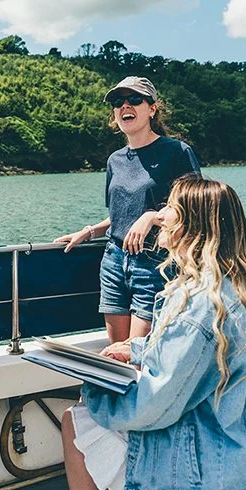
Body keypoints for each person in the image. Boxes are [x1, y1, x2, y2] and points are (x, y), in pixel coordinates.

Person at [61, 174, 246, 490]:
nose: (161, 216)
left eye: (170, 209)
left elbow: (154, 406)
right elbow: (197, 360)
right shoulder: (239, 285)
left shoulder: (199, 305)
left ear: (190, 226)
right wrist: (138, 351)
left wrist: (95, 390)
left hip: (208, 470)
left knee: (76, 421)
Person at [55, 76, 200, 344]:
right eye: (117, 102)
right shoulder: (115, 160)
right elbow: (120, 215)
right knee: (118, 352)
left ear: (152, 108)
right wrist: (88, 232)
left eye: (134, 100)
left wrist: (152, 217)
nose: (125, 106)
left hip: (155, 262)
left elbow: (194, 208)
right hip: (113, 261)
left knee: (137, 355)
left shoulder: (177, 152)